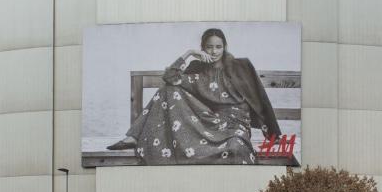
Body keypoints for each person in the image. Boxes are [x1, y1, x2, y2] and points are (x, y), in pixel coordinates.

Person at [106, 28, 282, 165]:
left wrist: (273, 135)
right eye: (209, 47)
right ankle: (134, 137)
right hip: (208, 120)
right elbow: (169, 78)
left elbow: (261, 98)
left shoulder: (240, 66)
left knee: (236, 148)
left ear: (224, 47)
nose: (214, 52)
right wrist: (189, 53)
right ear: (203, 48)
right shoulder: (197, 69)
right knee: (168, 91)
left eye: (218, 47)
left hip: (235, 124)